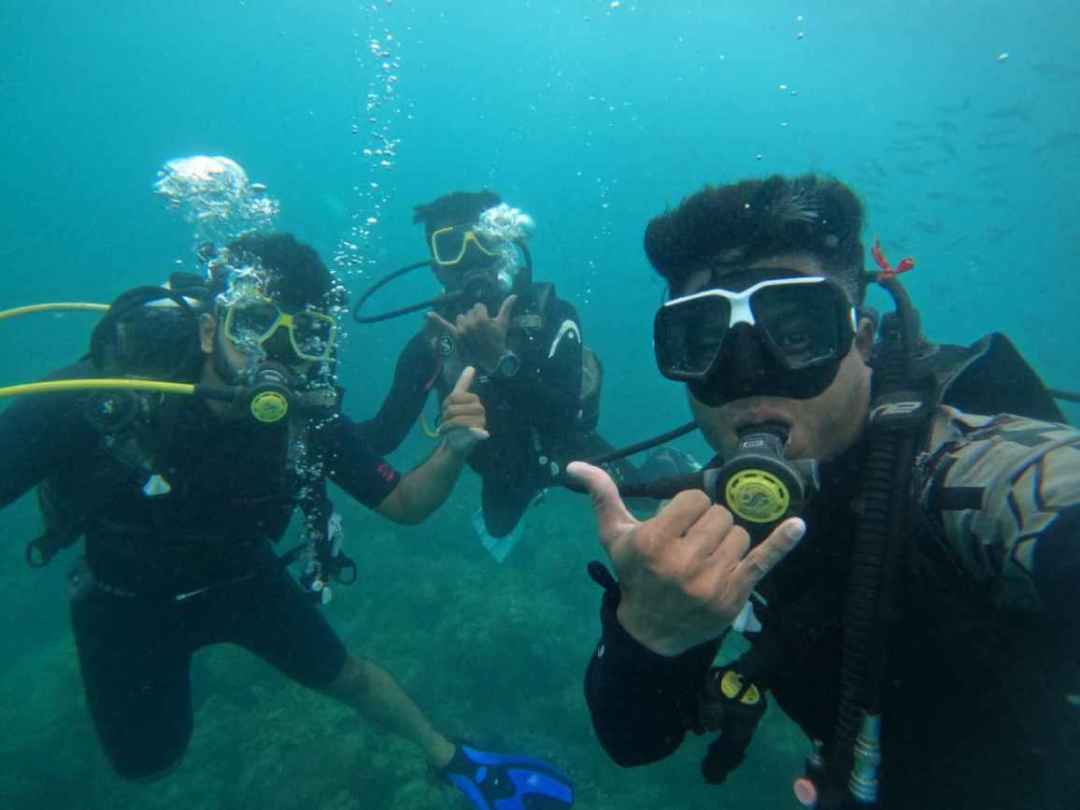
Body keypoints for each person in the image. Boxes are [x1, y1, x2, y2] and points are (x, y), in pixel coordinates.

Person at [0, 233, 573, 809]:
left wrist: (453, 449)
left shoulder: (308, 419)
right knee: (148, 764)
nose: (275, 356)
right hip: (124, 598)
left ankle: (453, 760)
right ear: (208, 328)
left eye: (303, 335)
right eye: (254, 324)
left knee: (349, 676)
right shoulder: (109, 396)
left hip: (238, 575)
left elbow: (404, 505)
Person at [570, 175, 1079, 809]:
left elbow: (1049, 492)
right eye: (702, 341)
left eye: (797, 329)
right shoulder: (717, 514)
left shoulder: (964, 468)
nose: (748, 372)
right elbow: (633, 741)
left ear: (861, 339)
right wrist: (651, 633)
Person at [356, 190, 692, 558]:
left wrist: (499, 361)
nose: (469, 260)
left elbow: (564, 420)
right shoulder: (430, 345)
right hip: (499, 467)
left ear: (504, 248)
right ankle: (528, 494)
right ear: (436, 266)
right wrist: (318, 426)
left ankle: (666, 458)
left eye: (483, 242)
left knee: (647, 495)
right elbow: (384, 436)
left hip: (566, 451)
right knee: (498, 527)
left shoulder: (550, 316)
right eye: (450, 246)